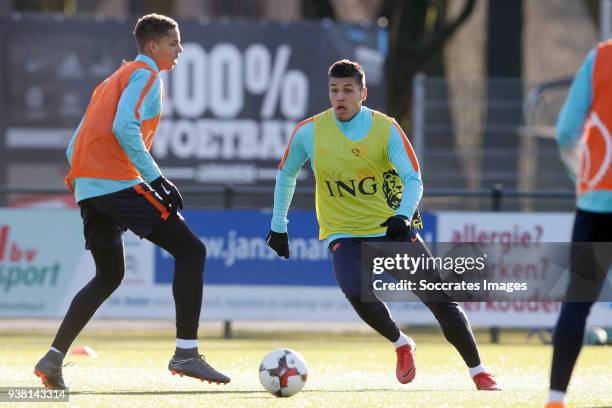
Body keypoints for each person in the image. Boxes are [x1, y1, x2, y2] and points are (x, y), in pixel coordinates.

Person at [266, 59, 500, 390]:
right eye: (334, 90)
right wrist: (278, 225)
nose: (340, 98)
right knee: (355, 291)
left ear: (363, 93)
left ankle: (480, 372)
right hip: (343, 234)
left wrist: (403, 215)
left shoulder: (385, 128)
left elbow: (413, 178)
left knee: (441, 301)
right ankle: (401, 343)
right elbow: (286, 173)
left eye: (348, 90)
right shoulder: (309, 132)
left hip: (389, 230)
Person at [33, 13, 229, 389]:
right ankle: (186, 352)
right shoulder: (148, 75)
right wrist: (156, 179)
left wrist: (87, 188)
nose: (180, 50)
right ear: (154, 46)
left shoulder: (111, 80)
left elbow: (74, 144)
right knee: (192, 251)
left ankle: (53, 357)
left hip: (91, 187)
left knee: (109, 275)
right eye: (174, 44)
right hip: (114, 182)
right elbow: (125, 127)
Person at [546, 40, 612, 408]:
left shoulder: (601, 57)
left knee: (578, 302)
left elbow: (565, 132)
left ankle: (556, 397)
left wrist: (583, 177)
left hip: (596, 205)